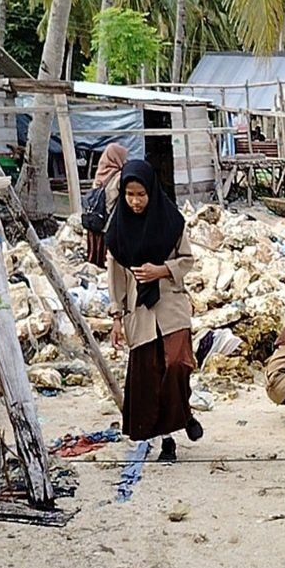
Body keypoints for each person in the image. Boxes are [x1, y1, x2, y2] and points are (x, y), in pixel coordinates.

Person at [106, 160, 201, 463]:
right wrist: (116, 318)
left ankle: (182, 412)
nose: (135, 201)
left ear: (152, 192)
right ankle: (167, 439)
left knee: (177, 364)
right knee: (150, 375)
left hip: (171, 305)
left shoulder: (170, 220)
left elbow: (187, 260)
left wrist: (161, 270)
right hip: (140, 312)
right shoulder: (118, 228)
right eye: (129, 195)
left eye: (141, 194)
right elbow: (117, 276)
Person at [86, 143, 128, 268]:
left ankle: (94, 263)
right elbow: (114, 197)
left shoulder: (101, 171)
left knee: (96, 241)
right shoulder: (118, 176)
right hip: (108, 217)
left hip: (96, 216)